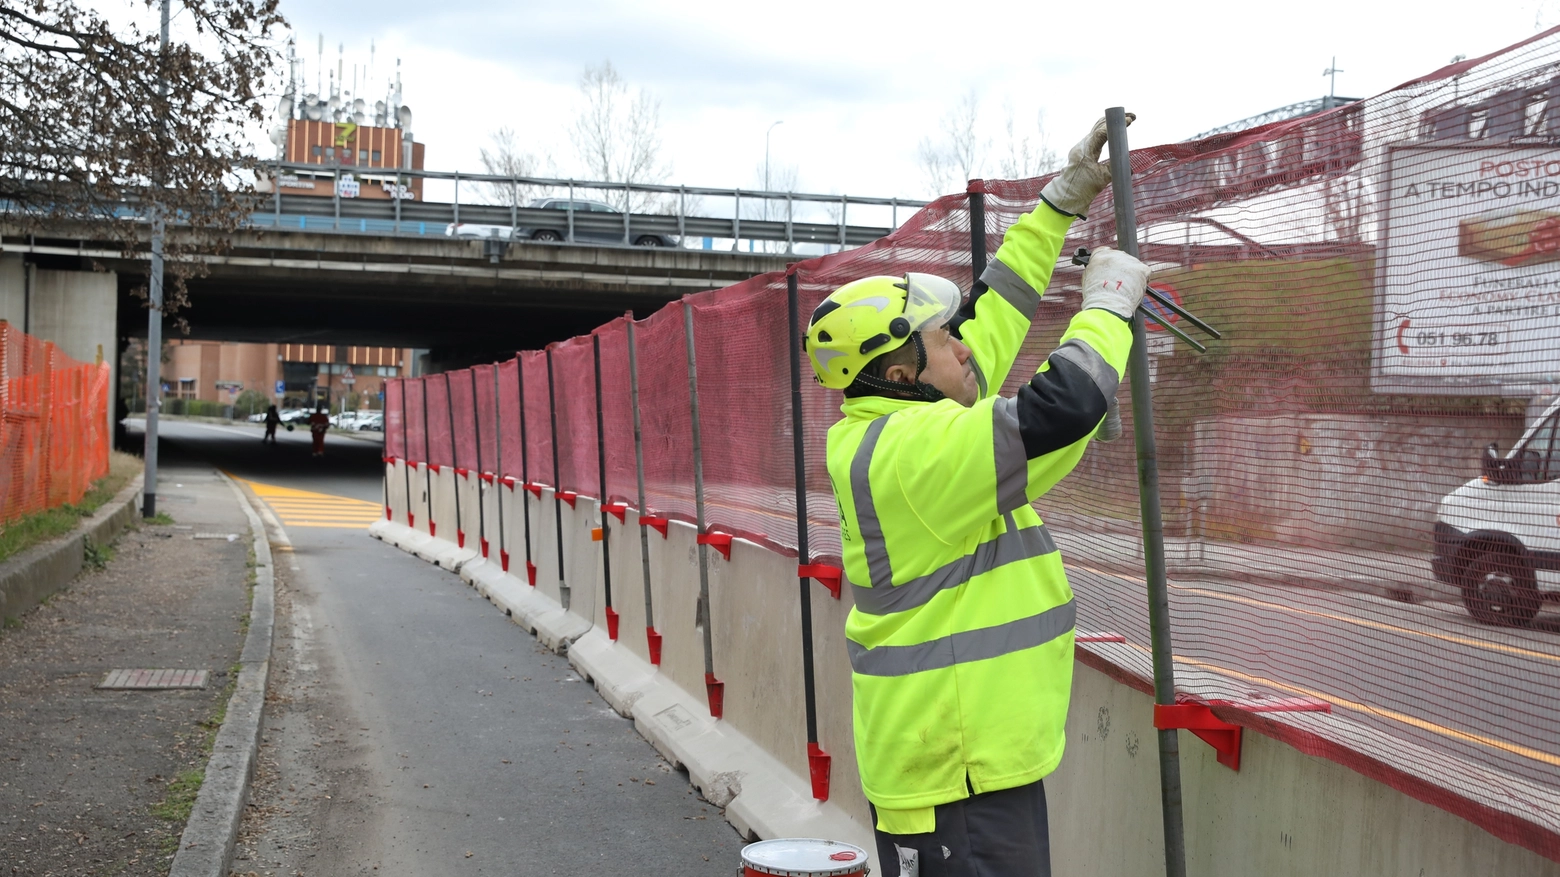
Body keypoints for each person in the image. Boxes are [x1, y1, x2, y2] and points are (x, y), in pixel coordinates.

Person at [804, 116, 1152, 876]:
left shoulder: (908, 420)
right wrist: (1108, 307)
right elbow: (1062, 409)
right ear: (900, 373)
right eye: (941, 338)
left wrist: (1058, 206)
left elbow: (990, 316)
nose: (963, 344)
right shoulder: (912, 452)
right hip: (953, 774)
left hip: (961, 762)